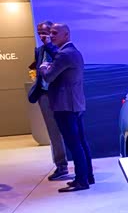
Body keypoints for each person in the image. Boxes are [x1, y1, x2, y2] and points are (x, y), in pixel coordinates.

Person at [39, 24, 94, 193]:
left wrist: (43, 67)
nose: (51, 35)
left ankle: (81, 181)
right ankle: (87, 176)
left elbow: (49, 77)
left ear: (66, 34)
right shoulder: (73, 52)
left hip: (65, 106)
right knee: (81, 142)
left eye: (55, 33)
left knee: (74, 144)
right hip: (74, 104)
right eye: (50, 33)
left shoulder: (64, 54)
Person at [28, 21, 70, 180]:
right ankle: (61, 166)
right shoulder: (39, 50)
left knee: (67, 130)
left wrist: (49, 45)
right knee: (53, 132)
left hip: (60, 94)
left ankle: (76, 164)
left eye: (45, 32)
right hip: (44, 95)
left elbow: (59, 60)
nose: (41, 35)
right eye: (39, 32)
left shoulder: (60, 48)